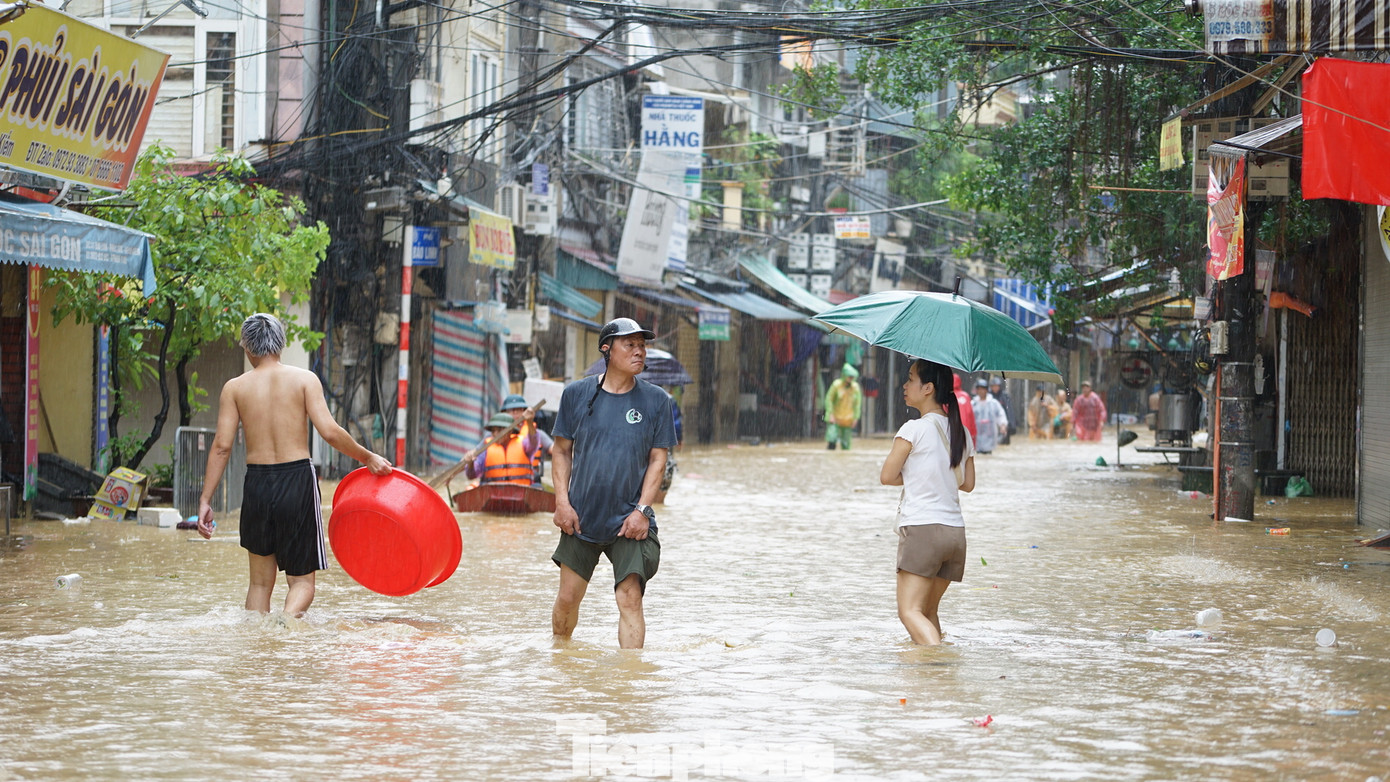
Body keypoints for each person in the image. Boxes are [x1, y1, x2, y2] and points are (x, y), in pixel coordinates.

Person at [197, 313, 392, 617]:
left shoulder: (234, 388)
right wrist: (367, 457)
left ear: (247, 347)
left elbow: (222, 447)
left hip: (257, 484)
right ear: (280, 345)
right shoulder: (304, 380)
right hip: (297, 481)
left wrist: (205, 500)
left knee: (259, 584)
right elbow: (330, 432)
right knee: (302, 582)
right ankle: (287, 626)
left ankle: (259, 640)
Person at [551, 318, 675, 649]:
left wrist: (643, 511)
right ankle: (559, 658)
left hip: (630, 520)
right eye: (629, 344)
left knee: (630, 597)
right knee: (567, 598)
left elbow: (658, 459)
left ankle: (630, 674)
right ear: (606, 349)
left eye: (642, 345)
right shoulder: (576, 395)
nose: (639, 351)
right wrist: (562, 503)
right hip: (581, 516)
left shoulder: (657, 400)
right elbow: (561, 451)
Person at [879, 359, 976, 645]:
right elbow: (967, 484)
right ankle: (935, 672)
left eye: (910, 379)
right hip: (954, 535)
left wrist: (917, 475)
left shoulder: (913, 429)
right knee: (928, 611)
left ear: (928, 388)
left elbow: (887, 476)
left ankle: (936, 661)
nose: (904, 385)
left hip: (923, 530)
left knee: (909, 611)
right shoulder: (961, 432)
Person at [464, 412, 541, 485]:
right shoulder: (486, 449)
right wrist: (470, 464)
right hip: (494, 492)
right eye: (493, 431)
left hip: (521, 492)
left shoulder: (523, 444)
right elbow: (471, 475)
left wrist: (529, 422)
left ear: (510, 431)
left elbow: (533, 442)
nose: (495, 434)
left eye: (499, 430)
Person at [501, 393, 552, 485]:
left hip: (529, 481)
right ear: (504, 413)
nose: (515, 413)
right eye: (510, 410)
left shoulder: (536, 433)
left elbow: (557, 450)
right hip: (500, 482)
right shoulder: (494, 435)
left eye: (518, 409)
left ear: (525, 412)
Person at [824, 363, 863, 450]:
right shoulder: (836, 385)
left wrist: (856, 418)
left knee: (846, 445)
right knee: (832, 440)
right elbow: (829, 399)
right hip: (835, 418)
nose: (851, 379)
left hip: (847, 419)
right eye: (849, 376)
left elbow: (857, 404)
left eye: (852, 377)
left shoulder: (855, 388)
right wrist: (830, 414)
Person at [970, 379, 1008, 454]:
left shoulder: (993, 403)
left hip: (990, 435)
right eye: (979, 389)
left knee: (988, 453)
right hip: (977, 435)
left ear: (987, 390)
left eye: (983, 389)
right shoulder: (973, 403)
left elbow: (1000, 414)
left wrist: (1003, 425)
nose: (981, 391)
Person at [952, 374, 978, 442]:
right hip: (966, 432)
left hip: (951, 432)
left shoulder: (946, 397)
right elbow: (971, 415)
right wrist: (973, 433)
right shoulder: (965, 396)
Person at [989, 377, 1014, 445]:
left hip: (1004, 423)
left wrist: (1010, 424)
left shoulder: (1004, 396)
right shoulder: (989, 396)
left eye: (997, 386)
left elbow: (1009, 411)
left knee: (1004, 443)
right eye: (994, 386)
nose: (995, 388)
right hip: (992, 424)